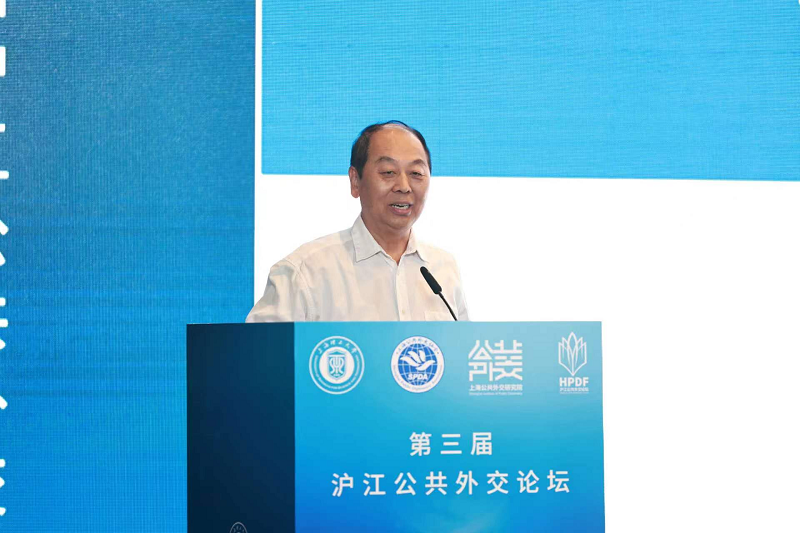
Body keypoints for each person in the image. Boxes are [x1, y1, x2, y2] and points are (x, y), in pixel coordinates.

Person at [246, 121, 469, 322]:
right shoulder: (305, 272)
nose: (404, 186)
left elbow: (463, 350)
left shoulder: (443, 269)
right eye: (388, 172)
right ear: (355, 181)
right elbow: (259, 350)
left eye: (416, 173)